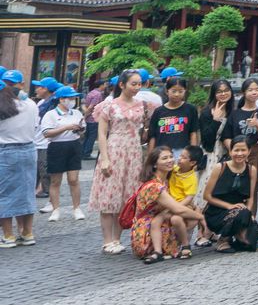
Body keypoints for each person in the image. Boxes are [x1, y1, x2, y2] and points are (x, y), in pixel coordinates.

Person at [90, 71, 149, 254]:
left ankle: (117, 238)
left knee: (126, 197)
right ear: (122, 85)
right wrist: (105, 159)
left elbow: (144, 130)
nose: (137, 87)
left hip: (134, 151)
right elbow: (102, 133)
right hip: (114, 150)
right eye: (133, 83)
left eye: (139, 84)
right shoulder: (109, 105)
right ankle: (107, 241)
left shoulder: (143, 105)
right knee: (109, 196)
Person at [131, 146, 202, 262]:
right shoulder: (155, 186)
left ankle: (183, 245)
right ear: (155, 164)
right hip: (147, 232)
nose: (170, 160)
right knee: (183, 215)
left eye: (171, 157)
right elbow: (178, 209)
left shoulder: (168, 179)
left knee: (182, 216)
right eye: (164, 158)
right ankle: (164, 250)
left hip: (162, 220)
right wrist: (201, 217)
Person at [0, 74, 40, 247]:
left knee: (4, 194)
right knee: (27, 192)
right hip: (29, 150)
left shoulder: (2, 107)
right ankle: (27, 233)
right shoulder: (30, 104)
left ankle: (8, 236)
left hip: (6, 152)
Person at [203, 136, 258, 253]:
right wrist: (229, 206)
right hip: (217, 211)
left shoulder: (251, 170)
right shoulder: (220, 167)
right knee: (241, 213)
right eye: (236, 150)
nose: (240, 153)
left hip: (240, 211)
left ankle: (237, 237)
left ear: (249, 151)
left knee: (251, 243)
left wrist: (248, 214)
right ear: (230, 151)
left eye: (243, 150)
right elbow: (207, 196)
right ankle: (223, 240)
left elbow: (250, 198)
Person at [39, 85, 86, 222]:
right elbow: (46, 133)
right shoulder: (51, 114)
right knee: (55, 181)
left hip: (74, 145)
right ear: (61, 99)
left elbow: (82, 131)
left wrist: (79, 129)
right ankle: (55, 209)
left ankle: (77, 208)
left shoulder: (76, 113)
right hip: (56, 147)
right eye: (70, 98)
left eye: (74, 98)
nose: (72, 101)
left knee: (73, 179)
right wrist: (65, 127)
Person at [146, 77, 199, 158]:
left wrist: (193, 155)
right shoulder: (159, 111)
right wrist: (150, 157)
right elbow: (152, 136)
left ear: (185, 91)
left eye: (180, 91)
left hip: (182, 153)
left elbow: (193, 133)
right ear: (167, 91)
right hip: (161, 153)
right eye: (173, 91)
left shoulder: (190, 109)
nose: (177, 94)